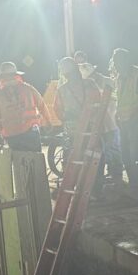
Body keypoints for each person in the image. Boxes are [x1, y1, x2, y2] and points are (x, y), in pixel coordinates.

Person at [55, 57, 104, 198]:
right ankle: (95, 191)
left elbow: (58, 111)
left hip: (72, 132)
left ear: (64, 74)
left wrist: (67, 117)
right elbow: (99, 103)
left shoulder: (62, 90)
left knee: (72, 161)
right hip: (91, 130)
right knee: (95, 160)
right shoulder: (90, 84)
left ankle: (73, 191)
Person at [110, 48, 138, 201]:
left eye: (118, 60)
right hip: (124, 120)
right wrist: (117, 114)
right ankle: (134, 183)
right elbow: (121, 99)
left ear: (127, 60)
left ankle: (137, 187)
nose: (116, 64)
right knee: (125, 154)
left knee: (134, 152)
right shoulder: (119, 77)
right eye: (115, 61)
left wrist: (133, 115)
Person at [74, 50, 122, 184]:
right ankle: (114, 174)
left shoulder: (102, 83)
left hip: (110, 122)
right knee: (109, 150)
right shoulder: (103, 81)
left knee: (113, 149)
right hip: (105, 123)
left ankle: (116, 175)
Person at [0, 61, 46, 152]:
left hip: (12, 135)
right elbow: (41, 104)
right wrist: (47, 122)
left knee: (19, 162)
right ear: (16, 75)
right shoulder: (28, 89)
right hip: (31, 132)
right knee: (35, 160)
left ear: (2, 77)